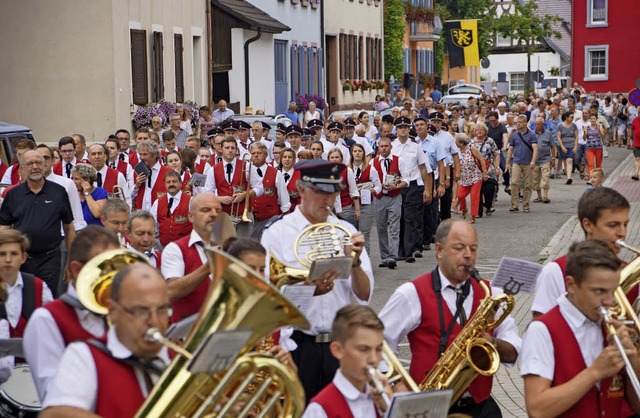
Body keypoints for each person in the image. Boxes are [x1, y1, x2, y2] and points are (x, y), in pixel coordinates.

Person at [379, 219, 521, 418]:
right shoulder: (411, 293)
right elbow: (376, 341)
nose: (468, 255)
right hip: (430, 407)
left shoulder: (491, 293)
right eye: (459, 248)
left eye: (473, 248)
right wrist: (395, 382)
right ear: (439, 250)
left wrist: (494, 343)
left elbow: (515, 349)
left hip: (480, 407)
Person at [261, 159, 374, 402]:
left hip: (341, 345)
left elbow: (365, 295)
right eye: (321, 192)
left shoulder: (345, 230)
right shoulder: (277, 233)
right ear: (301, 190)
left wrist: (353, 262)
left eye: (334, 192)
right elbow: (267, 300)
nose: (329, 201)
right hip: (298, 347)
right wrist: (307, 289)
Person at [521, 240, 640, 418]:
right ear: (571, 285)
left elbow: (636, 406)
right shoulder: (542, 330)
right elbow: (537, 409)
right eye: (599, 291)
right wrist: (595, 372)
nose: (609, 302)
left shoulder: (611, 324)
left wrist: (631, 358)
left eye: (613, 291)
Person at [40, 262, 172, 417]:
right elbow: (54, 415)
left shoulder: (178, 358)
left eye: (162, 310)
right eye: (141, 311)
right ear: (113, 311)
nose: (154, 322)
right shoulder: (85, 356)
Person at [23, 226, 120, 401]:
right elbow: (54, 396)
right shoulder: (47, 320)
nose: (113, 276)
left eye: (117, 266)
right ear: (76, 269)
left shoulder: (122, 312)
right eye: (104, 267)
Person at [531, 187, 630, 317]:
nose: (622, 233)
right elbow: (540, 327)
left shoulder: (630, 272)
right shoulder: (556, 272)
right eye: (613, 225)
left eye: (626, 224)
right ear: (588, 225)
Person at [0, 151, 75, 295]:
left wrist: (71, 260)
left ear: (45, 165)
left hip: (50, 259)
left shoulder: (59, 192)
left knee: (47, 298)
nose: (35, 167)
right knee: (22, 298)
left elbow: (69, 227)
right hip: (21, 260)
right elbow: (4, 229)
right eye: (29, 164)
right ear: (22, 169)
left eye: (38, 163)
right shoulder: (12, 195)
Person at [302, 304, 392, 418]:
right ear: (338, 350)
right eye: (363, 349)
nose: (373, 359)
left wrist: (390, 410)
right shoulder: (319, 410)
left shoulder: (385, 399)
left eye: (379, 349)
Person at [161, 192, 221, 322]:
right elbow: (172, 291)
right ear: (191, 217)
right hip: (187, 334)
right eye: (206, 210)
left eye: (218, 210)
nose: (214, 214)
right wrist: (209, 266)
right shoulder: (175, 249)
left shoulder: (230, 247)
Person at [392, 116, 433, 263]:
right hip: (396, 186)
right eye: (400, 127)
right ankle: (399, 250)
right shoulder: (391, 146)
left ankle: (408, 251)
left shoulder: (416, 147)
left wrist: (427, 189)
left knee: (410, 218)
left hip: (413, 185)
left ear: (409, 129)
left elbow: (424, 169)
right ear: (396, 130)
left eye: (405, 127)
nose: (403, 129)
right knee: (398, 218)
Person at [204, 137, 263, 237]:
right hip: (222, 216)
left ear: (236, 149)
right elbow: (207, 193)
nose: (230, 150)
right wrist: (219, 199)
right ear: (221, 149)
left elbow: (260, 188)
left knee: (242, 248)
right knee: (223, 248)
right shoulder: (213, 170)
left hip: (242, 215)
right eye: (227, 148)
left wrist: (244, 195)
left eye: (232, 148)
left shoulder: (247, 166)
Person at [372, 137, 406, 270]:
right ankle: (384, 256)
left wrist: (398, 186)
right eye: (382, 146)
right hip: (379, 198)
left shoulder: (399, 160)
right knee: (381, 228)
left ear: (391, 147)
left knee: (394, 227)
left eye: (386, 146)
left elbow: (406, 179)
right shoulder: (372, 162)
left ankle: (392, 256)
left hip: (394, 197)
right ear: (378, 148)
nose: (384, 148)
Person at [249, 142, 290, 240]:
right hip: (250, 220)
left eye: (259, 153)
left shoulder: (276, 173)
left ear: (266, 155)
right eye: (253, 153)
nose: (256, 155)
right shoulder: (246, 171)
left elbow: (284, 200)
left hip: (270, 218)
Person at [350, 144, 381, 255]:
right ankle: (353, 262)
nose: (357, 153)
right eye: (355, 151)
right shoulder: (348, 169)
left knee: (364, 234)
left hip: (366, 204)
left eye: (360, 151)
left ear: (363, 153)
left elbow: (379, 187)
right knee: (351, 235)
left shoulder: (370, 169)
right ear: (351, 153)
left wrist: (371, 191)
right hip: (351, 205)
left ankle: (365, 263)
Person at [151, 170, 193, 247]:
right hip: (163, 247)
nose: (171, 184)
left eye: (174, 181)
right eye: (168, 182)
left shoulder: (191, 201)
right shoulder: (158, 202)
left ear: (180, 183)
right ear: (165, 184)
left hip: (185, 247)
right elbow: (152, 225)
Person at [506, 115, 538, 213]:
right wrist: (507, 162)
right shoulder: (515, 134)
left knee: (528, 184)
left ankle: (525, 204)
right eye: (516, 123)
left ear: (525, 123)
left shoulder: (532, 134)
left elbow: (535, 148)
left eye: (519, 122)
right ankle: (514, 204)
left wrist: (533, 161)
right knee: (515, 182)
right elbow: (511, 149)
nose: (517, 124)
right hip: (516, 161)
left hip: (528, 162)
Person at [132, 140, 172, 211]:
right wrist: (136, 186)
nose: (141, 157)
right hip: (140, 215)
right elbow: (129, 196)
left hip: (160, 214)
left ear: (154, 155)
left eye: (145, 154)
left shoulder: (168, 172)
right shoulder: (136, 171)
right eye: (140, 154)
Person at [456, 134, 487, 224]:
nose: (455, 143)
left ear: (461, 143)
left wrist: (484, 172)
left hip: (475, 176)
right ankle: (464, 209)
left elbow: (481, 159)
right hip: (464, 177)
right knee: (460, 196)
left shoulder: (471, 148)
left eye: (457, 142)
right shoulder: (457, 151)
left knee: (474, 197)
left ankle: (473, 215)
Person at [470, 123, 500, 218]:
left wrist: (497, 167)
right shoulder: (471, 142)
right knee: (477, 190)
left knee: (489, 189)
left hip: (488, 168)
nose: (479, 131)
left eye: (481, 130)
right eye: (477, 130)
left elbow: (496, 154)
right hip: (475, 169)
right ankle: (478, 211)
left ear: (485, 131)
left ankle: (488, 205)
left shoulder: (490, 141)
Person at [328, 148, 360, 227]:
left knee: (345, 231)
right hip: (329, 207)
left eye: (337, 157)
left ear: (341, 158)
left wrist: (357, 210)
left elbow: (354, 191)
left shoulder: (347, 170)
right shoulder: (325, 172)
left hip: (345, 206)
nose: (334, 159)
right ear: (328, 159)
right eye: (332, 157)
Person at [531, 117, 555, 204]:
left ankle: (545, 196)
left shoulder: (548, 133)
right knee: (535, 179)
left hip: (545, 159)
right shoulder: (531, 133)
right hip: (534, 160)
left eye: (539, 124)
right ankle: (539, 196)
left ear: (543, 125)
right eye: (536, 124)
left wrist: (553, 158)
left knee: (545, 177)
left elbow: (552, 146)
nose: (537, 126)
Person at [557, 111, 579, 185]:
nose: (572, 118)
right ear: (566, 117)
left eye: (573, 117)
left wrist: (576, 146)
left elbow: (576, 137)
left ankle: (569, 177)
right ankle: (567, 177)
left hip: (571, 145)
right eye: (571, 117)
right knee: (565, 162)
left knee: (569, 160)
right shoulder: (560, 126)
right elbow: (559, 137)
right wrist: (562, 146)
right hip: (563, 146)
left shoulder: (574, 126)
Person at [629, 108, 640, 181]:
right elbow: (631, 131)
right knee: (637, 158)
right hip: (636, 144)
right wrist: (628, 141)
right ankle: (636, 174)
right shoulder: (635, 121)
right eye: (639, 112)